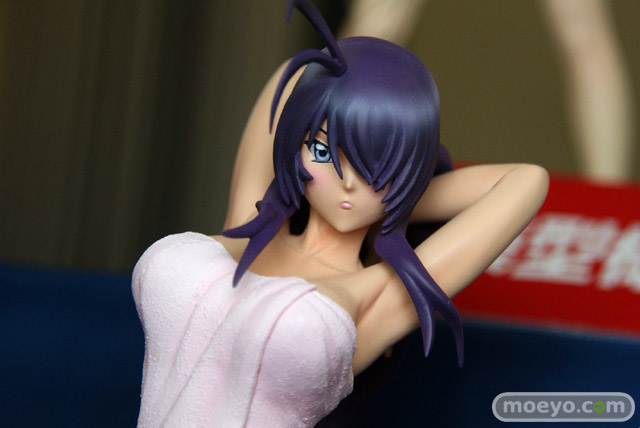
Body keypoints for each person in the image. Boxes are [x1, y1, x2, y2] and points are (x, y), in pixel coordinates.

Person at [132, 1, 549, 426]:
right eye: (322, 151)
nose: (348, 183)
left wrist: (400, 197)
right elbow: (292, 78)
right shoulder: (249, 227)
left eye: (379, 169)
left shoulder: (379, 298)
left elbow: (526, 181)